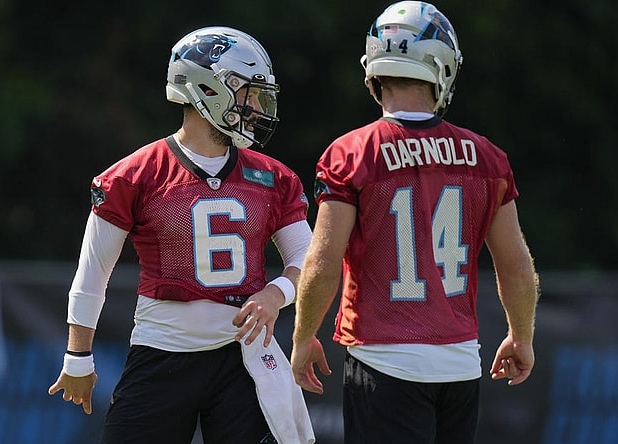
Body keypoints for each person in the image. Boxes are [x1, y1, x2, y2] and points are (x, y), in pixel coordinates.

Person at [48, 26, 315, 444]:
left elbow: (308, 261)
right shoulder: (136, 175)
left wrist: (275, 292)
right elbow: (93, 273)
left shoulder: (272, 177)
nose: (256, 108)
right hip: (161, 354)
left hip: (241, 358)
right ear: (209, 89)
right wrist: (77, 356)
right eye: (246, 94)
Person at [290, 2, 540, 443]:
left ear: (374, 69)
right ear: (441, 66)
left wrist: (304, 335)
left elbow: (322, 261)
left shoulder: (353, 153)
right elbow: (516, 264)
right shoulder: (486, 157)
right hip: (460, 363)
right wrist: (521, 336)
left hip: (385, 359)